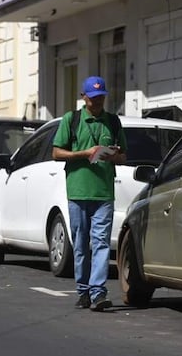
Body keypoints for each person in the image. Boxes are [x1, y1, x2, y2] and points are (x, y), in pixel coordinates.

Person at [52, 76, 127, 311]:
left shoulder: (113, 122)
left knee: (102, 242)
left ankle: (98, 292)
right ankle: (83, 290)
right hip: (78, 192)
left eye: (101, 97)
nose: (97, 102)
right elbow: (56, 152)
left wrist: (113, 156)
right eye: (93, 98)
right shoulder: (71, 120)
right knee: (81, 244)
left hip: (104, 193)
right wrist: (84, 153)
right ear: (84, 98)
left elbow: (124, 156)